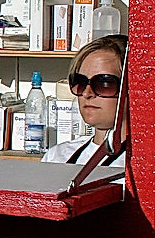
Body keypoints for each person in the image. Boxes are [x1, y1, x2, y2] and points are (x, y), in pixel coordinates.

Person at [41, 34, 127, 166]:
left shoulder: (142, 164)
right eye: (80, 82)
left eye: (104, 83)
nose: (87, 93)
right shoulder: (57, 157)